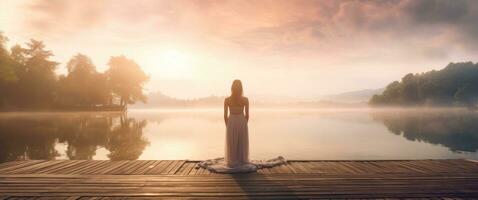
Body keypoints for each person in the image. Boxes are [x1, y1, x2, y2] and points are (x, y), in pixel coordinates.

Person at [198, 80, 286, 173]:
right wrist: (244, 123)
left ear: (232, 88)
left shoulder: (227, 100)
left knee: (232, 141)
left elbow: (225, 115)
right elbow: (247, 115)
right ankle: (242, 159)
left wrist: (227, 126)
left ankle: (232, 160)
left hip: (231, 121)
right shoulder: (245, 99)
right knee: (242, 141)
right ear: (241, 88)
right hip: (241, 121)